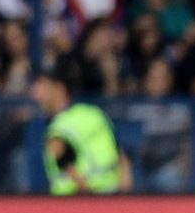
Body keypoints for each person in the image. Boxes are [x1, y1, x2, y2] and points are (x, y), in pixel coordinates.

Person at [30, 66, 132, 195]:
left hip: (76, 202)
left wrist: (89, 197)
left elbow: (67, 166)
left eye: (42, 85)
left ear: (59, 88)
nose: (36, 93)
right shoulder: (94, 113)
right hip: (112, 196)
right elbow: (122, 158)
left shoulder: (57, 129)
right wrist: (125, 195)